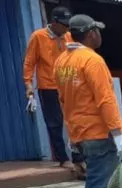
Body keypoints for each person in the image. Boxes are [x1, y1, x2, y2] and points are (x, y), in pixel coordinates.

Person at [54, 14, 122, 188]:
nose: (100, 35)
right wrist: (118, 134)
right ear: (90, 34)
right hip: (99, 130)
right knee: (101, 180)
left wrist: (71, 133)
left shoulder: (62, 61)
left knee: (97, 178)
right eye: (97, 31)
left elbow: (63, 99)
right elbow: (105, 99)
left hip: (80, 130)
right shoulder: (92, 60)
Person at [22, 6, 84, 176]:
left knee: (75, 121)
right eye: (63, 25)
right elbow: (29, 62)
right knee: (54, 124)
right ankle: (63, 158)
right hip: (48, 87)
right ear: (54, 22)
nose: (66, 28)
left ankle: (78, 157)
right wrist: (28, 86)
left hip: (68, 85)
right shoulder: (38, 37)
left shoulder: (69, 37)